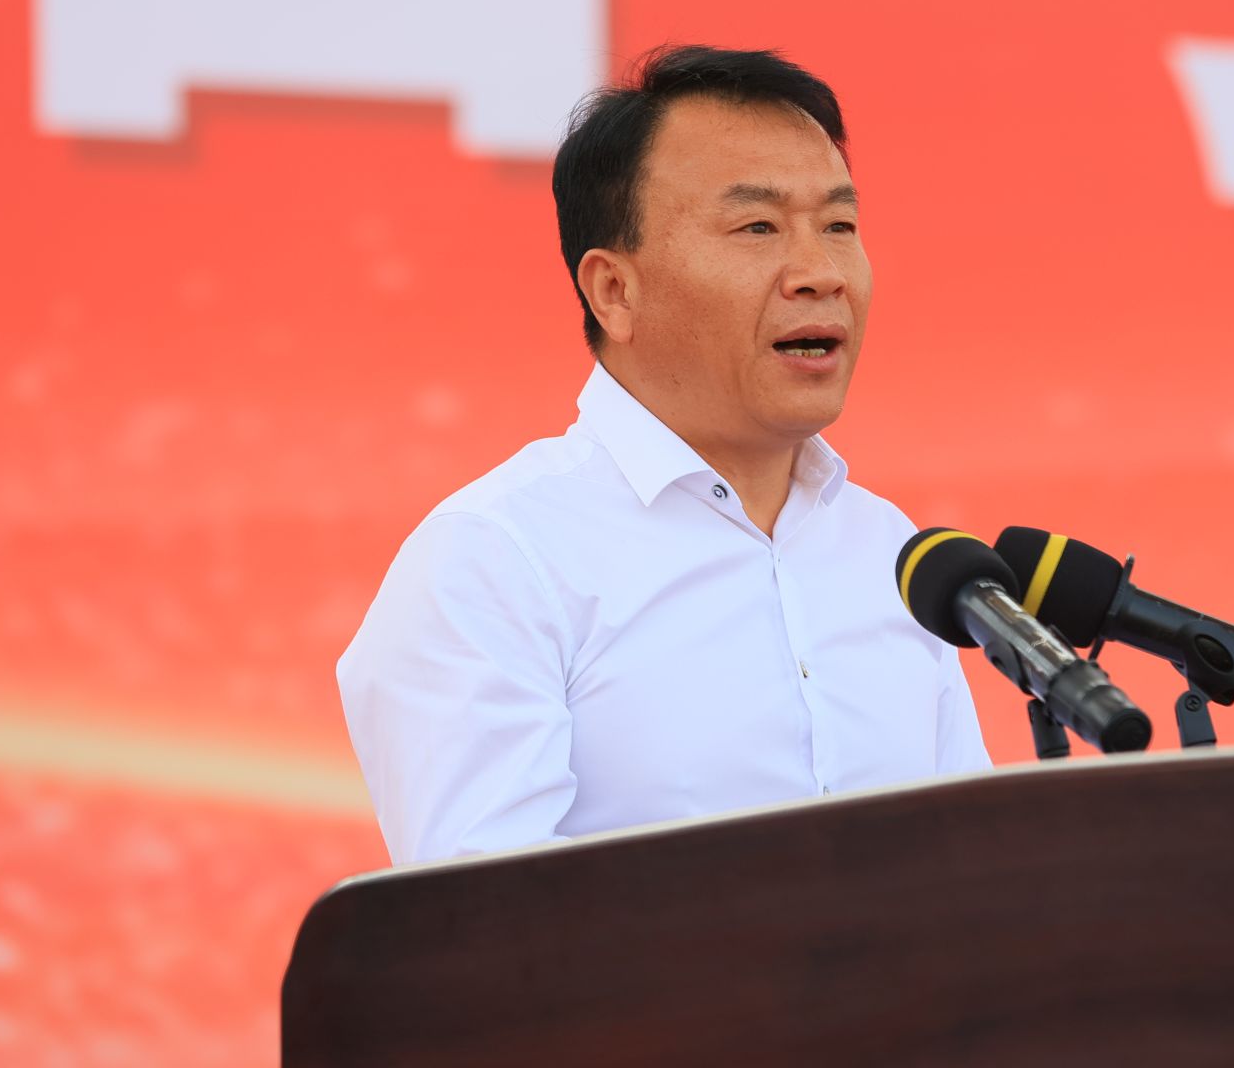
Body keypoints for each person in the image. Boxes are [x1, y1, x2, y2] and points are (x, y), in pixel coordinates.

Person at [337, 45, 991, 864]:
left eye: (839, 225)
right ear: (615, 290)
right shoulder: (496, 561)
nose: (822, 273)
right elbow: (491, 922)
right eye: (757, 227)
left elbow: (973, 877)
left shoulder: (896, 554)